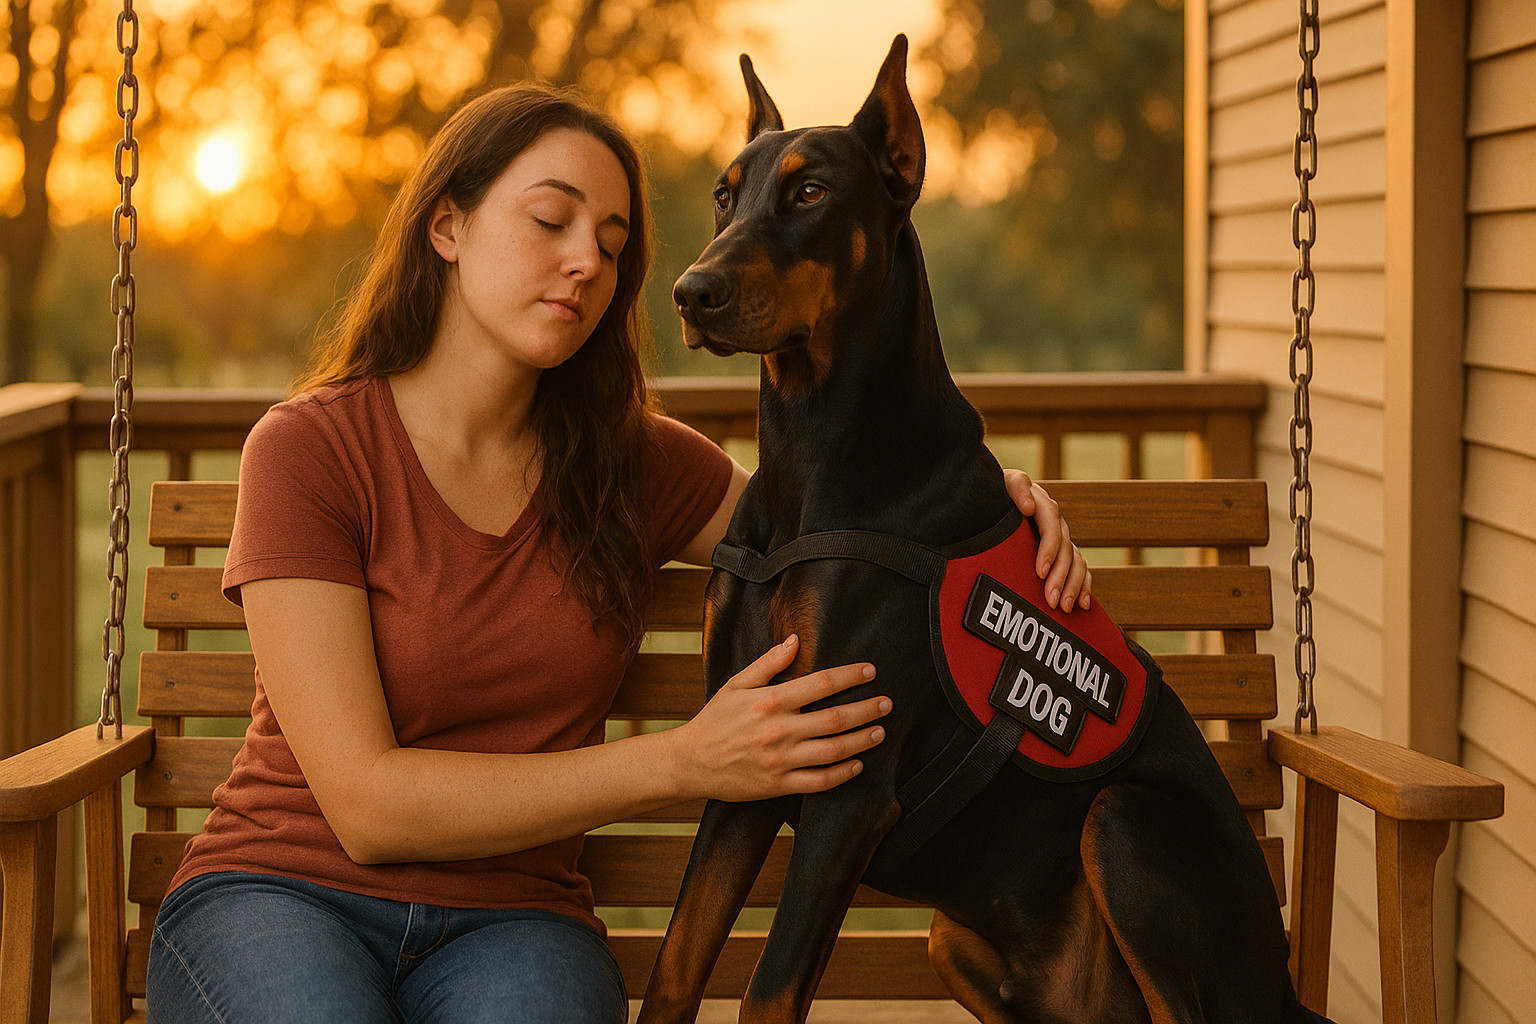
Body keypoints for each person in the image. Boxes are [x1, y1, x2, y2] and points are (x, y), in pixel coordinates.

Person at [144, 83, 1092, 1024]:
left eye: (610, 243)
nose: (584, 263)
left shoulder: (635, 465)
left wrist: (1005, 506)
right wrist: (684, 762)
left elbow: (862, 533)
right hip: (284, 893)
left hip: (513, 924)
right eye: (550, 220)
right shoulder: (311, 451)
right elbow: (368, 805)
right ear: (447, 227)